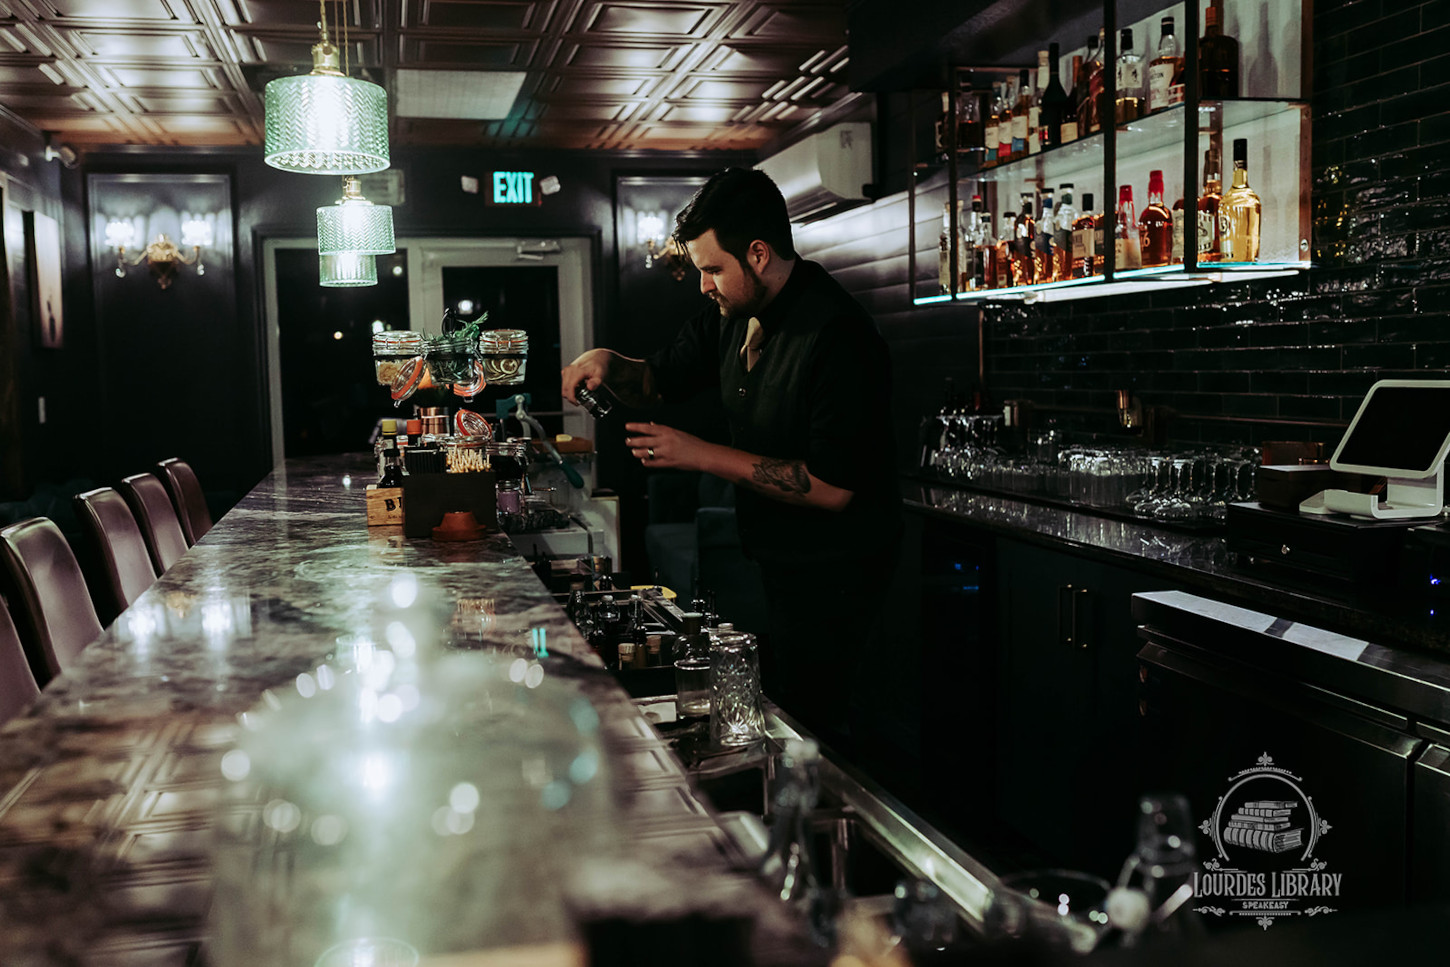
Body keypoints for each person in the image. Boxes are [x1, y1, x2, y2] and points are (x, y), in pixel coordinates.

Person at [561, 167, 900, 747]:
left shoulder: (838, 335)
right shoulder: (729, 317)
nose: (704, 286)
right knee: (766, 718)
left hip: (836, 577)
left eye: (713, 269)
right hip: (769, 557)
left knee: (819, 731)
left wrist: (698, 454)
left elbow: (832, 485)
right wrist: (609, 363)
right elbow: (659, 378)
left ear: (760, 254)